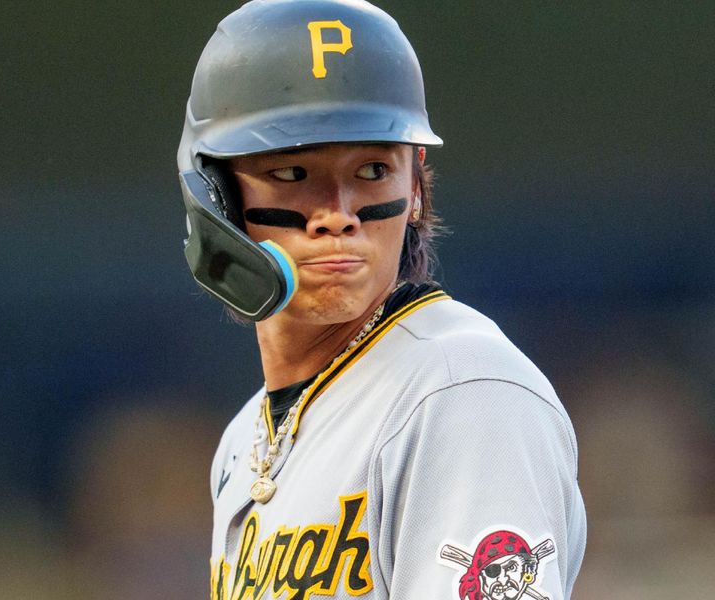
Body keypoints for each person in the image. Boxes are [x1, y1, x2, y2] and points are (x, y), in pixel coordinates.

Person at [176, 1, 586, 598]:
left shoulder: (463, 393)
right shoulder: (245, 440)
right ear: (214, 195)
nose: (338, 214)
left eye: (372, 168)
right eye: (292, 172)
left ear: (415, 186)